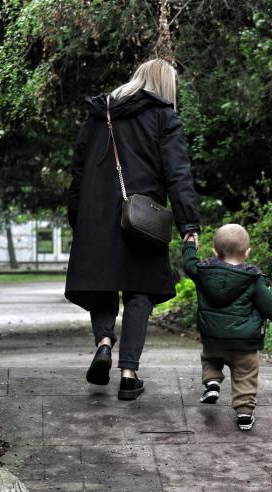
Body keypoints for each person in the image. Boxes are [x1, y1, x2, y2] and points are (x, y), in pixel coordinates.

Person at [65, 58, 200, 401]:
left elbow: (78, 171)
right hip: (143, 216)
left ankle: (104, 343)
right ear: (165, 86)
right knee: (140, 290)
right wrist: (188, 223)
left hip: (95, 214)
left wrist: (77, 216)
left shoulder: (98, 114)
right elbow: (178, 174)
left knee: (102, 284)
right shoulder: (163, 116)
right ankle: (129, 374)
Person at [182, 224, 272, 430]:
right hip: (244, 342)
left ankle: (212, 383)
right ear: (247, 252)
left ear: (214, 250)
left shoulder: (203, 272)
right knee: (245, 376)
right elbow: (268, 304)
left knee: (210, 358)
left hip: (213, 338)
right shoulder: (253, 278)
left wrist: (189, 245)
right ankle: (244, 414)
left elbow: (189, 264)